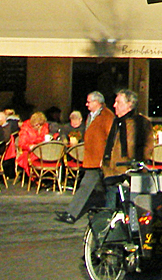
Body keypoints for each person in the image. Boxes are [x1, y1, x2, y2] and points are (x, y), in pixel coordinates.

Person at [56, 91, 112, 224]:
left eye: (89, 102)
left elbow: (110, 138)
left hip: (98, 159)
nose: (86, 104)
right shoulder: (91, 116)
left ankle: (72, 213)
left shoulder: (106, 116)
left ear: (97, 102)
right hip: (91, 157)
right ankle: (104, 210)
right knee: (100, 188)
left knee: (86, 185)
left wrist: (105, 157)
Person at [9, 111, 49, 176]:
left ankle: (47, 176)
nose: (39, 127)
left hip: (42, 150)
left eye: (40, 125)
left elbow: (45, 137)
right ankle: (36, 177)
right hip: (28, 152)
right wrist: (30, 146)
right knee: (34, 157)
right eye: (37, 125)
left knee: (50, 156)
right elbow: (21, 144)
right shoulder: (25, 128)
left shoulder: (44, 127)